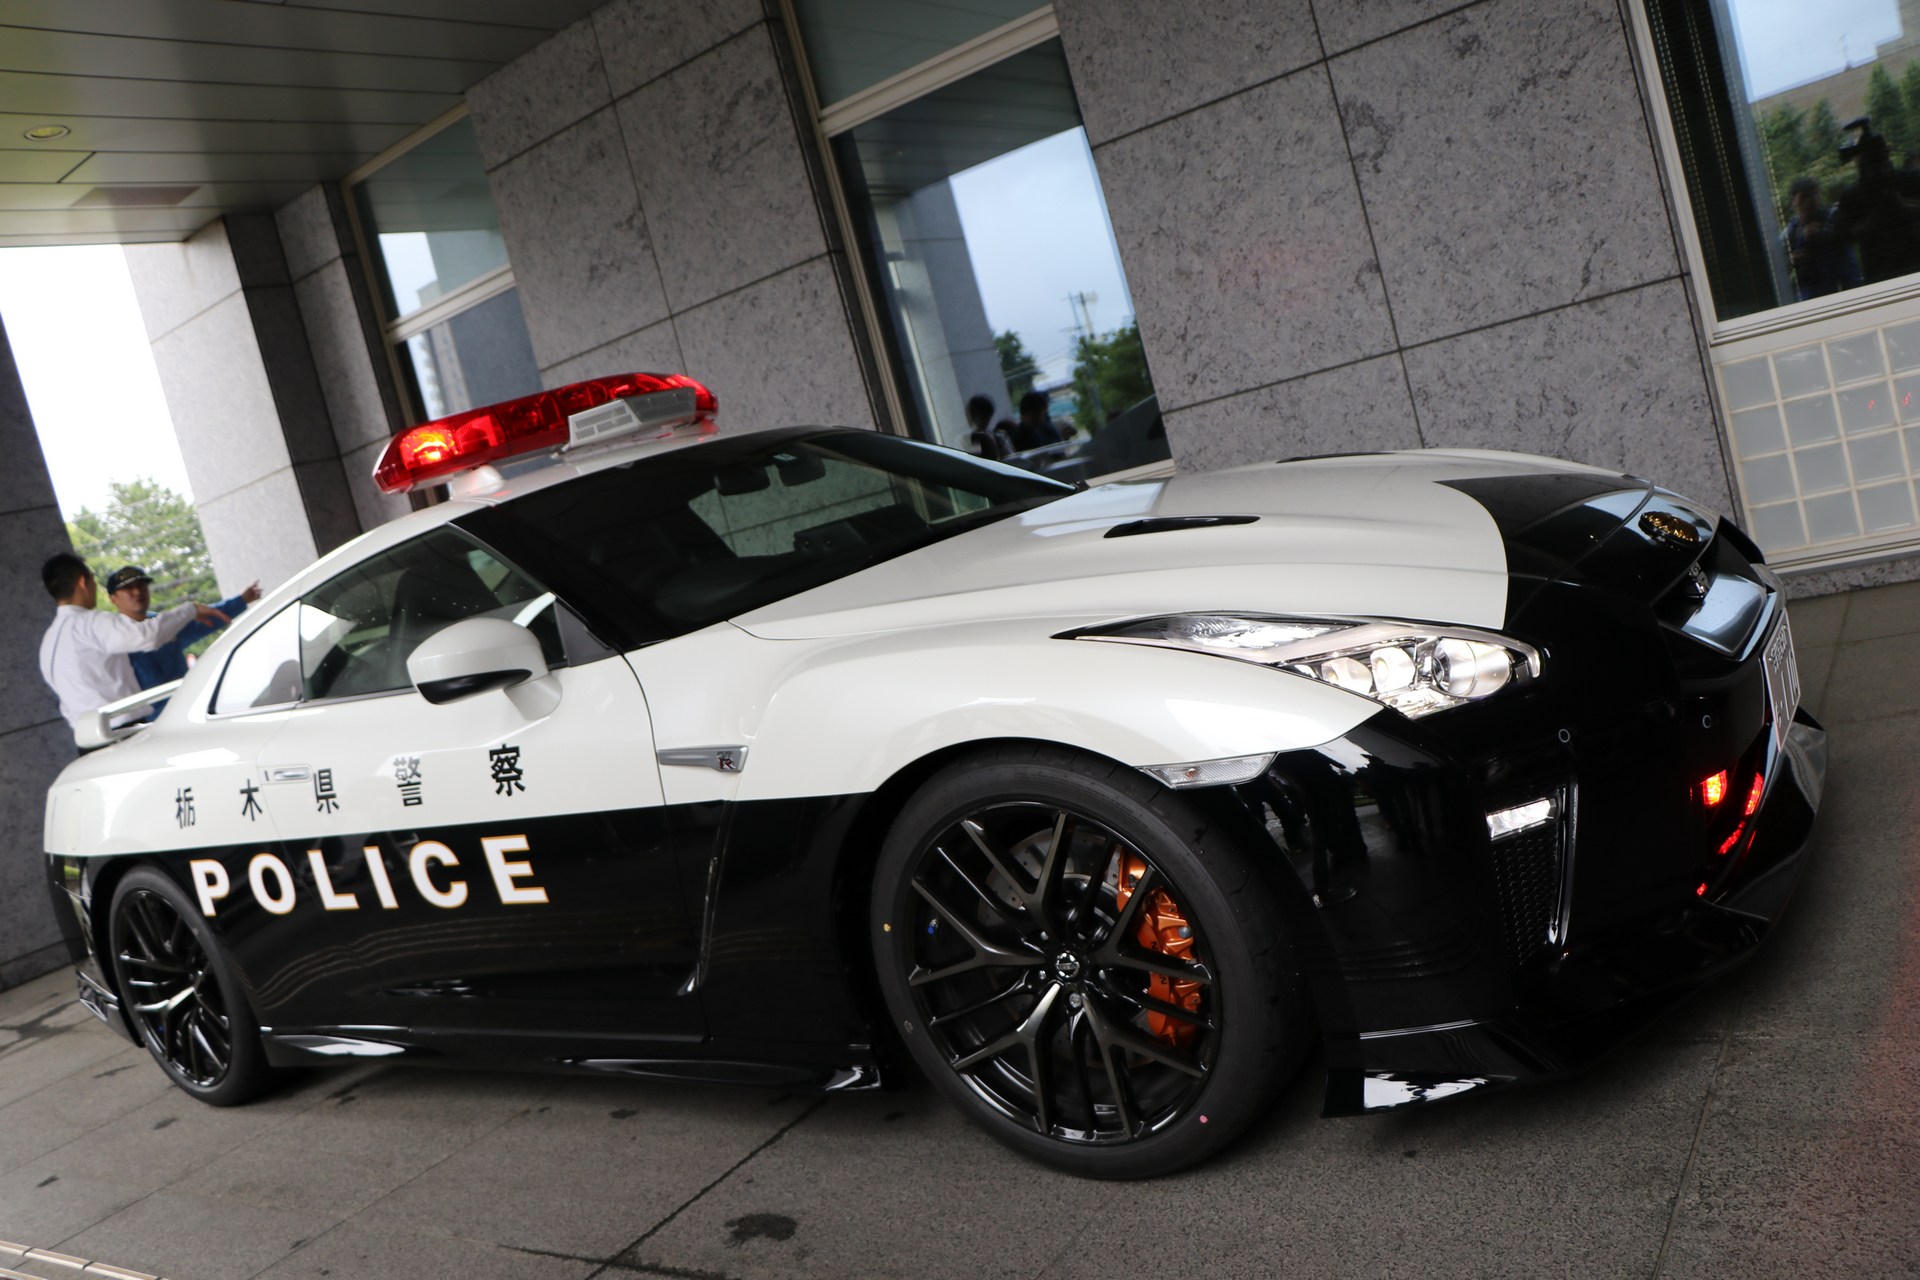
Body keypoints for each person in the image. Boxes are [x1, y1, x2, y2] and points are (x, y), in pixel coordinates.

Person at [37, 553, 227, 736]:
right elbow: (148, 636)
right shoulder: (91, 623)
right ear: (82, 582)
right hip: (122, 732)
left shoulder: (49, 640)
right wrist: (190, 610)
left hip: (88, 739)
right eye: (93, 580)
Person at [105, 565, 259, 690]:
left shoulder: (162, 622)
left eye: (141, 586)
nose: (137, 592)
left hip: (184, 704)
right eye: (128, 588)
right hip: (146, 718)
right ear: (113, 599)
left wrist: (241, 600)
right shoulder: (111, 637)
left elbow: (205, 619)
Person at [1782, 177, 1860, 301]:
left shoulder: (1834, 215)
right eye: (1803, 198)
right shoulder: (1792, 229)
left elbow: (1848, 237)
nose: (1808, 203)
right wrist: (1793, 259)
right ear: (1794, 202)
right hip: (1812, 291)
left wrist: (1821, 236)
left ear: (1818, 196)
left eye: (1811, 196)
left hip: (1843, 284)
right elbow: (1780, 260)